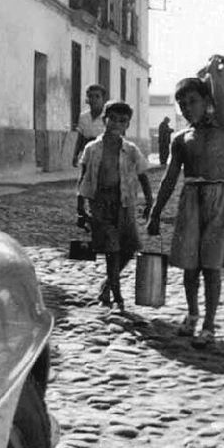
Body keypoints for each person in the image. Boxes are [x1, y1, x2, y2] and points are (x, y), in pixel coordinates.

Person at [146, 56, 224, 348]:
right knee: (189, 266)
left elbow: (222, 103)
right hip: (191, 200)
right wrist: (156, 212)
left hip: (219, 200)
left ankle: (210, 323)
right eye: (182, 104)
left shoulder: (223, 125)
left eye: (193, 101)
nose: (187, 108)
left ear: (205, 101)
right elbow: (170, 178)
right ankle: (192, 314)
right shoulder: (181, 139)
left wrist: (212, 73)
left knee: (211, 266)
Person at [77, 101, 153, 313]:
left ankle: (108, 284)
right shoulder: (92, 148)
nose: (117, 124)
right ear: (104, 120)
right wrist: (79, 205)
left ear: (127, 125)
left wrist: (149, 201)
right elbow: (83, 177)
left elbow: (143, 175)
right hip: (100, 203)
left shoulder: (130, 150)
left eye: (123, 120)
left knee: (129, 248)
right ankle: (117, 296)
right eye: (113, 119)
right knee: (112, 249)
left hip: (125, 203)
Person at [72, 83, 107, 166]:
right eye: (90, 96)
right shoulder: (83, 117)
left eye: (97, 96)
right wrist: (75, 155)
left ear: (103, 99)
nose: (94, 99)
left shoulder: (107, 117)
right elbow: (80, 138)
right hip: (88, 153)